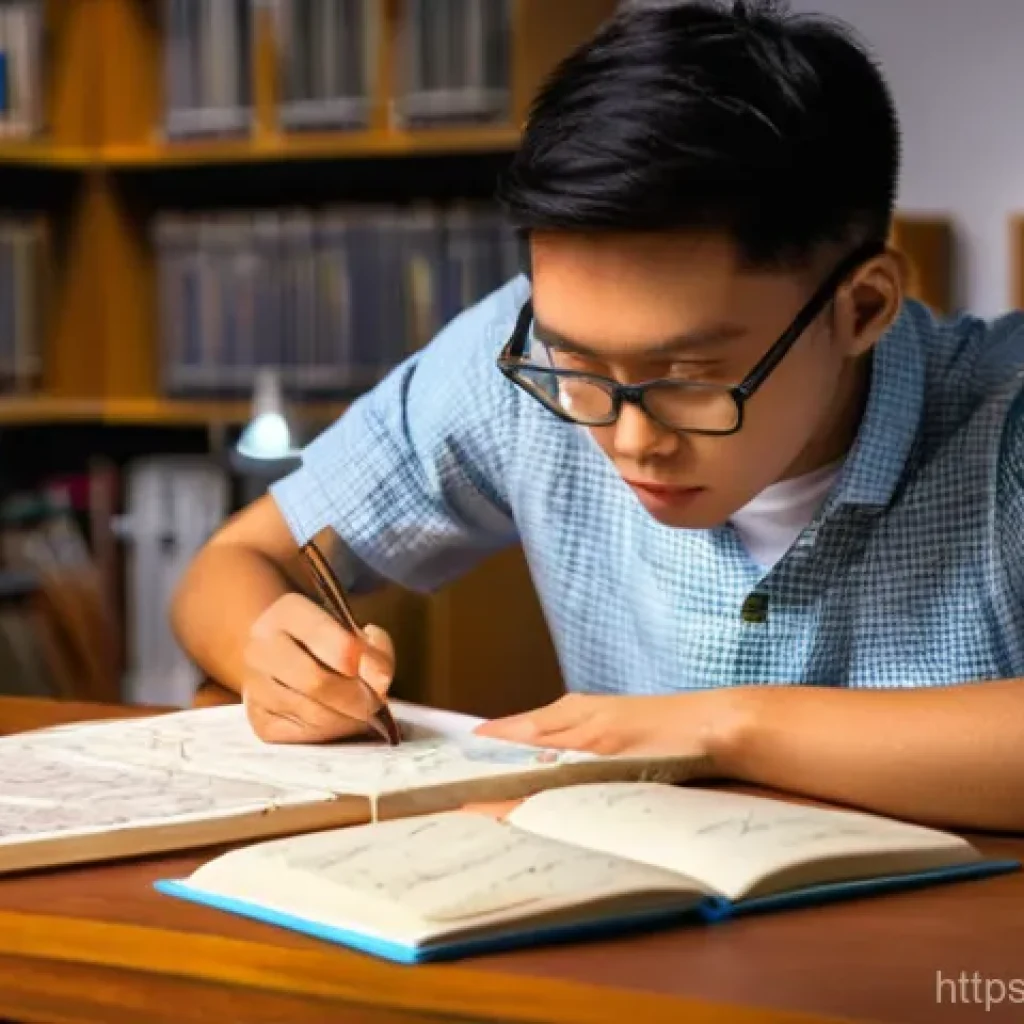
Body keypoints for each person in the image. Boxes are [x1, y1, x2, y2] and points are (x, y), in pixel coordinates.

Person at [171, 0, 1024, 832]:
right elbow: (236, 561)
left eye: (689, 377)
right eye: (581, 368)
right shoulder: (521, 359)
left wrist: (725, 727)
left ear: (863, 308)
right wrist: (276, 656)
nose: (631, 439)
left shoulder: (1005, 421)